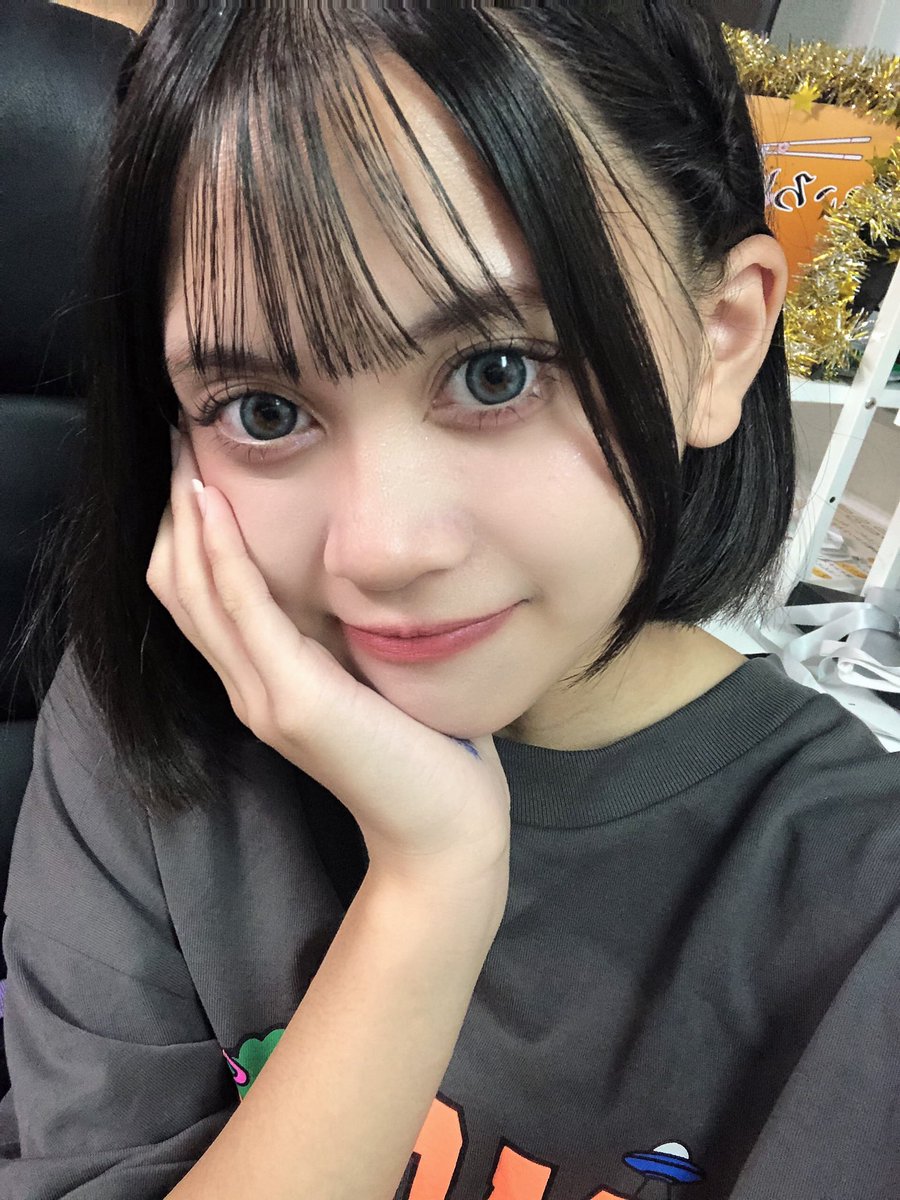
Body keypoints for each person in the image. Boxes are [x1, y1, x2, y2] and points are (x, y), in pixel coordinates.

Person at [1, 2, 898, 1197]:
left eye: (496, 372)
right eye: (263, 411)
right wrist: (431, 885)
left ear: (720, 338)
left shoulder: (862, 904)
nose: (381, 549)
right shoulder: (148, 722)